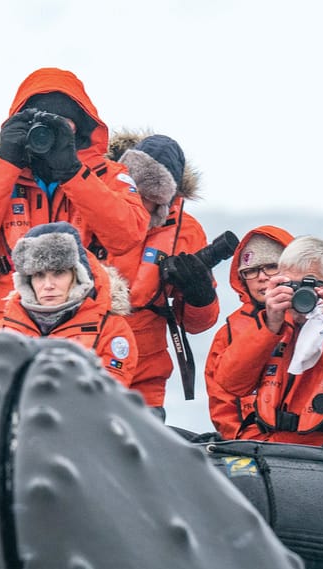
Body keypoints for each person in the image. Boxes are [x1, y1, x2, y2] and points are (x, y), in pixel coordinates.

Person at [0, 67, 150, 336]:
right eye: (39, 125)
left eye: (62, 125)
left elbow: (128, 235)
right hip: (5, 328)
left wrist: (73, 172)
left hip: (85, 327)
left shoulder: (108, 176)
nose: (49, 134)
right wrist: (6, 162)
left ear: (80, 128)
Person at [206, 235, 323, 449]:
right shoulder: (273, 326)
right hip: (266, 452)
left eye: (314, 284)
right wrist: (269, 326)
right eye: (292, 285)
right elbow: (231, 385)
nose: (303, 295)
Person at [109, 132, 222, 413]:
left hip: (143, 380)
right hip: (82, 366)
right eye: (134, 191)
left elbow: (198, 323)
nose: (139, 203)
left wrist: (200, 295)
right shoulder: (92, 207)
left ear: (167, 197)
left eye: (150, 196)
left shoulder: (187, 231)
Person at [0, 222, 136, 386]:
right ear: (27, 281)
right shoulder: (2, 329)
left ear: (78, 276)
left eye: (58, 273)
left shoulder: (110, 329)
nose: (48, 285)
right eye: (39, 275)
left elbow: (109, 395)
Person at [204, 226, 295, 438]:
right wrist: (246, 445)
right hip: (252, 448)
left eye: (272, 267)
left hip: (311, 449)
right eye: (250, 271)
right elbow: (222, 401)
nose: (261, 277)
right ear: (241, 279)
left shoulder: (313, 318)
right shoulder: (229, 332)